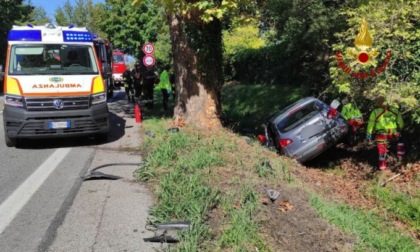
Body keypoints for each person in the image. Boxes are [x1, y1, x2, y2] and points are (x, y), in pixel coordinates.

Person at [366, 95, 405, 170]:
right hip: (393, 134)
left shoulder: (375, 112)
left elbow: (370, 125)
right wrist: (400, 129)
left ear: (377, 103)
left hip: (381, 135)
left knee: (381, 150)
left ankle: (382, 166)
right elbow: (401, 123)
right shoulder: (395, 110)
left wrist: (368, 135)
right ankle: (401, 156)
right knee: (400, 140)